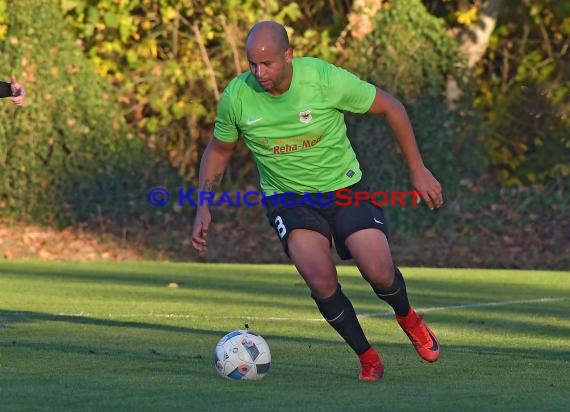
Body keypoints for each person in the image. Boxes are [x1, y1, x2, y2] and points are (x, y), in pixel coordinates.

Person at [191, 21, 443, 381]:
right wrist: (203, 204)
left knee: (379, 271)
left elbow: (391, 107)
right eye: (252, 65)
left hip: (345, 188)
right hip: (288, 199)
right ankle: (368, 357)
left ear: (288, 56)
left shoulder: (323, 79)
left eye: (268, 64)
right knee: (321, 279)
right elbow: (218, 150)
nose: (259, 73)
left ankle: (408, 317)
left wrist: (418, 170)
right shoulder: (237, 96)